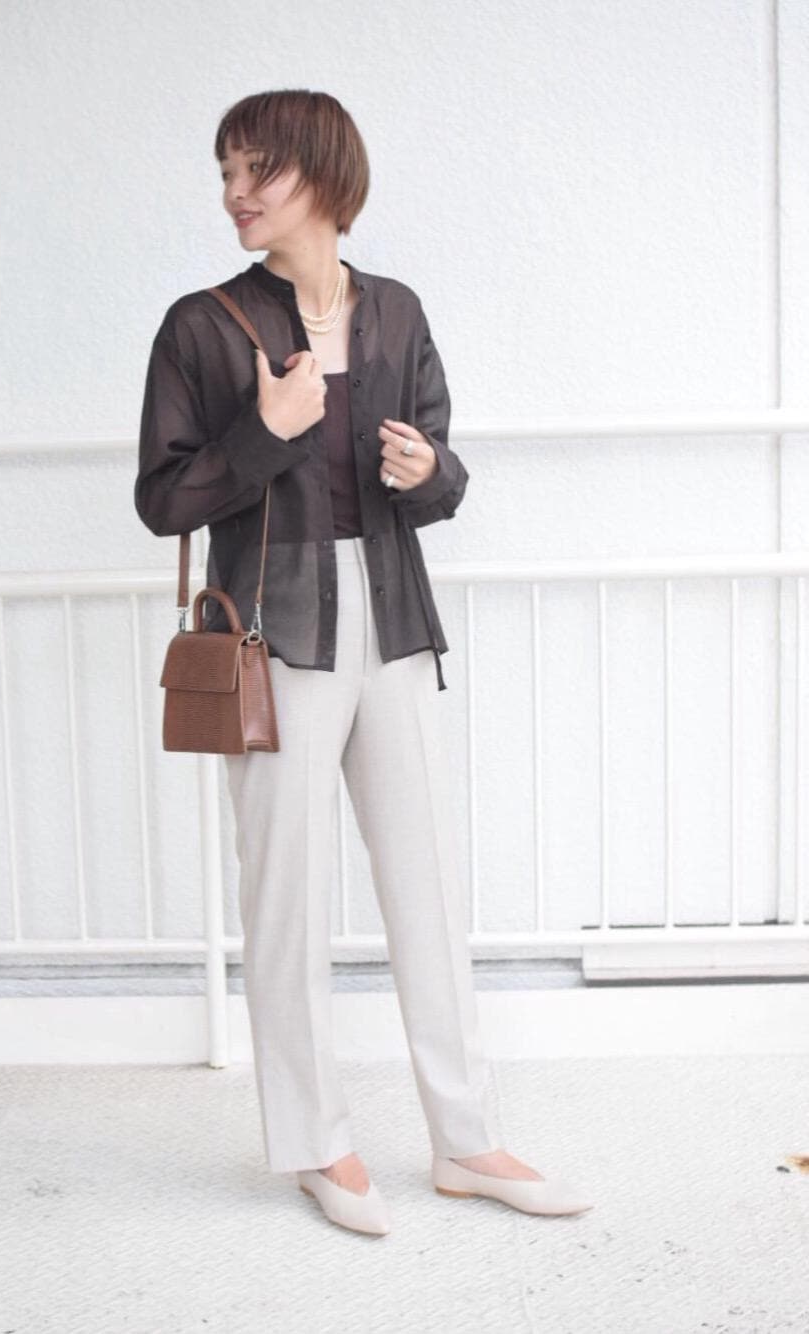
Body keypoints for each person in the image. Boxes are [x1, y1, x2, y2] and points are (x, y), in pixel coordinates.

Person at [135, 89, 593, 1236]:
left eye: (257, 170)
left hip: (390, 622)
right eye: (226, 172)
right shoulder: (201, 328)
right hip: (274, 632)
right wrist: (266, 431)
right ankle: (315, 1142)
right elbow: (162, 499)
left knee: (427, 884)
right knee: (285, 894)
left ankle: (467, 1138)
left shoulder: (395, 312)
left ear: (324, 175)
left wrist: (428, 471)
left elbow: (442, 474)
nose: (235, 194)